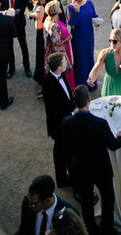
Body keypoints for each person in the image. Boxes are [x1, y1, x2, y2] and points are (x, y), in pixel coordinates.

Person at [62, 84, 121, 235]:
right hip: (100, 169)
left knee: (86, 201)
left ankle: (91, 229)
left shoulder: (66, 123)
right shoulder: (100, 124)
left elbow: (67, 147)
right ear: (89, 100)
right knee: (108, 199)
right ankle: (107, 230)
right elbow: (114, 145)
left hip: (81, 168)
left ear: (74, 102)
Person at [43, 51, 75, 186]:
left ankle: (62, 178)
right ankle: (64, 179)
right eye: (64, 62)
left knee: (62, 152)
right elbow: (55, 111)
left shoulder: (60, 76)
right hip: (59, 126)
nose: (67, 63)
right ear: (58, 68)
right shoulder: (49, 85)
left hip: (64, 121)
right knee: (63, 153)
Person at [87, 27, 121, 96]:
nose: (111, 43)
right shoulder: (104, 53)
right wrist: (91, 79)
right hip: (109, 87)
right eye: (110, 40)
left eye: (114, 41)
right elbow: (96, 69)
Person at [0, 0, 32, 78]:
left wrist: (19, 10)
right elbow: (1, 6)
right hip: (8, 23)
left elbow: (26, 4)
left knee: (23, 45)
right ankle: (11, 68)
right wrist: (4, 11)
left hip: (18, 21)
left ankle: (27, 67)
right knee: (9, 47)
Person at [66, 0, 99, 89]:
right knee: (80, 59)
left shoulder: (89, 3)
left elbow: (94, 15)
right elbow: (73, 25)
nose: (73, 1)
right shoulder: (70, 8)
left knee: (89, 57)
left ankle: (91, 82)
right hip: (78, 37)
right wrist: (76, 12)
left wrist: (96, 22)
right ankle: (81, 84)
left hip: (88, 35)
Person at [44, 0, 75, 90]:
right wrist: (68, 39)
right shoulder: (53, 25)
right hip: (59, 52)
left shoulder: (47, 20)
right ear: (56, 11)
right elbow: (57, 43)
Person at [29, 0, 48, 99]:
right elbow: (39, 26)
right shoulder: (40, 8)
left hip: (40, 36)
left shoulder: (38, 6)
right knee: (42, 57)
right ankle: (41, 83)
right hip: (42, 36)